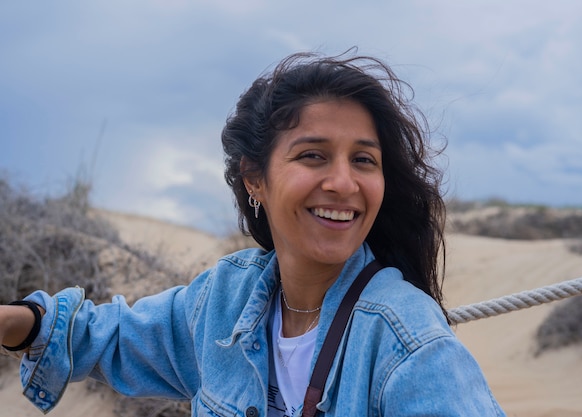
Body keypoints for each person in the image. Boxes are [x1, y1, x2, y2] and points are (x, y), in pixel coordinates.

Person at [0, 51, 506, 416]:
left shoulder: (409, 347)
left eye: (363, 160)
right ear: (254, 179)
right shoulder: (226, 300)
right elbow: (116, 340)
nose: (343, 182)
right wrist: (17, 322)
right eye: (313, 155)